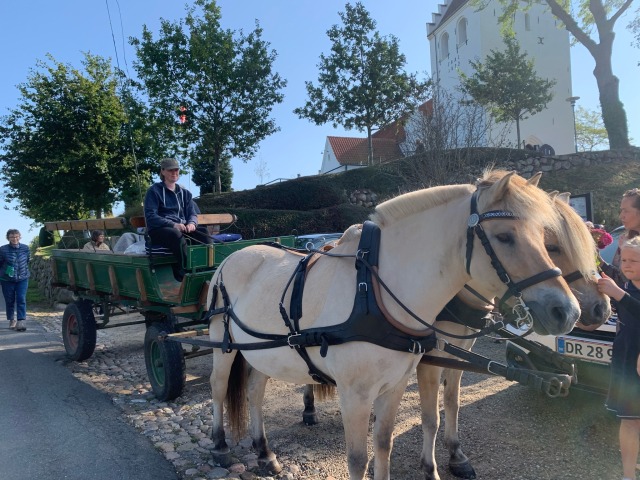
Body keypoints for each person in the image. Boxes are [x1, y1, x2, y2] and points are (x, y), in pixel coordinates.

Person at [597, 237, 640, 480]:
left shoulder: (625, 291)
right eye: (624, 259)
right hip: (625, 360)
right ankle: (628, 475)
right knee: (630, 419)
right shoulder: (628, 285)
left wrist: (618, 294)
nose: (627, 264)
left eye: (634, 260)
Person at [143, 157, 212, 282]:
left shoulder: (185, 193)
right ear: (163, 171)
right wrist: (173, 224)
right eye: (170, 170)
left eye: (176, 170)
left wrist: (192, 223)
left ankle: (208, 270)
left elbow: (192, 213)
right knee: (176, 235)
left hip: (182, 228)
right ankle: (184, 272)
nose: (174, 173)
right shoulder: (154, 191)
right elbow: (151, 217)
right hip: (158, 230)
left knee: (204, 234)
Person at [600, 188, 640, 285]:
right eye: (621, 211)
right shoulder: (626, 240)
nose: (621, 216)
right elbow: (621, 281)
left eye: (626, 211)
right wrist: (598, 260)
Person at [0, 229, 31, 331]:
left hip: (22, 278)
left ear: (20, 237)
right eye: (12, 237)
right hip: (7, 279)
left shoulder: (25, 248)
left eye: (16, 236)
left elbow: (27, 260)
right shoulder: (3, 249)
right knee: (10, 300)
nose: (14, 239)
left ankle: (21, 320)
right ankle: (12, 319)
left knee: (21, 298)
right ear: (8, 238)